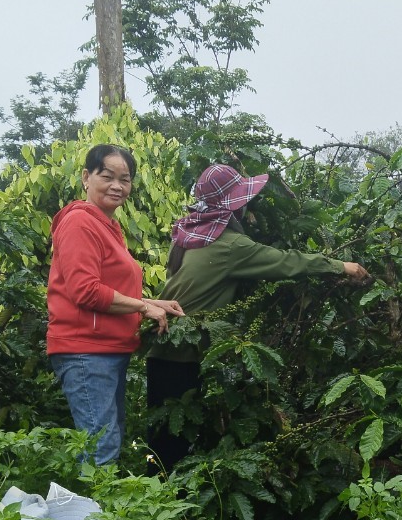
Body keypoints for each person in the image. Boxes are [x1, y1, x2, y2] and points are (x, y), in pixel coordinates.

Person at [146, 162, 370, 470]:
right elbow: (285, 262)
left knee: (161, 440)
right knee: (173, 445)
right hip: (183, 352)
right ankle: (165, 506)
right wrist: (339, 266)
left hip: (163, 348)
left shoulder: (188, 232)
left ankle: (156, 500)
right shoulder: (232, 245)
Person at [47, 144, 184, 465]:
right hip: (85, 351)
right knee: (100, 444)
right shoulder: (80, 223)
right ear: (86, 177)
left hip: (105, 350)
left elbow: (107, 287)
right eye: (107, 176)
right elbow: (85, 291)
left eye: (125, 179)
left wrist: (152, 301)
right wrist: (141, 307)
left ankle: (100, 514)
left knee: (106, 438)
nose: (117, 186)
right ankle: (92, 516)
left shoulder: (107, 225)